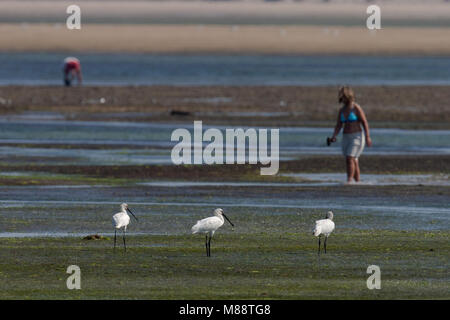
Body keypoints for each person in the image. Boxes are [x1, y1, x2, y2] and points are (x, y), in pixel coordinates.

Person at [330, 86, 372, 183]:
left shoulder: (356, 108)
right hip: (346, 137)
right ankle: (357, 182)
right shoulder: (342, 110)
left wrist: (367, 136)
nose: (342, 99)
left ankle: (349, 180)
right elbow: (339, 124)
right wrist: (334, 136)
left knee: (350, 158)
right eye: (342, 97)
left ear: (349, 96)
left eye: (344, 97)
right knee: (353, 160)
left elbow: (364, 122)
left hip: (357, 136)